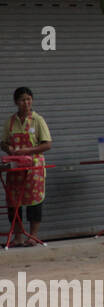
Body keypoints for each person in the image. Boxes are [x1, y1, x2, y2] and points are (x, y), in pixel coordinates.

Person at [1, 87, 52, 246]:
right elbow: (3, 142)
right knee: (13, 202)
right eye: (23, 99)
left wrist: (28, 150)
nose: (26, 103)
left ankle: (32, 236)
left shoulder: (38, 120)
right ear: (16, 102)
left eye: (29, 99)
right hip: (15, 166)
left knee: (34, 201)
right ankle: (18, 237)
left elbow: (47, 144)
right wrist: (8, 149)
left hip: (33, 168)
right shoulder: (10, 122)